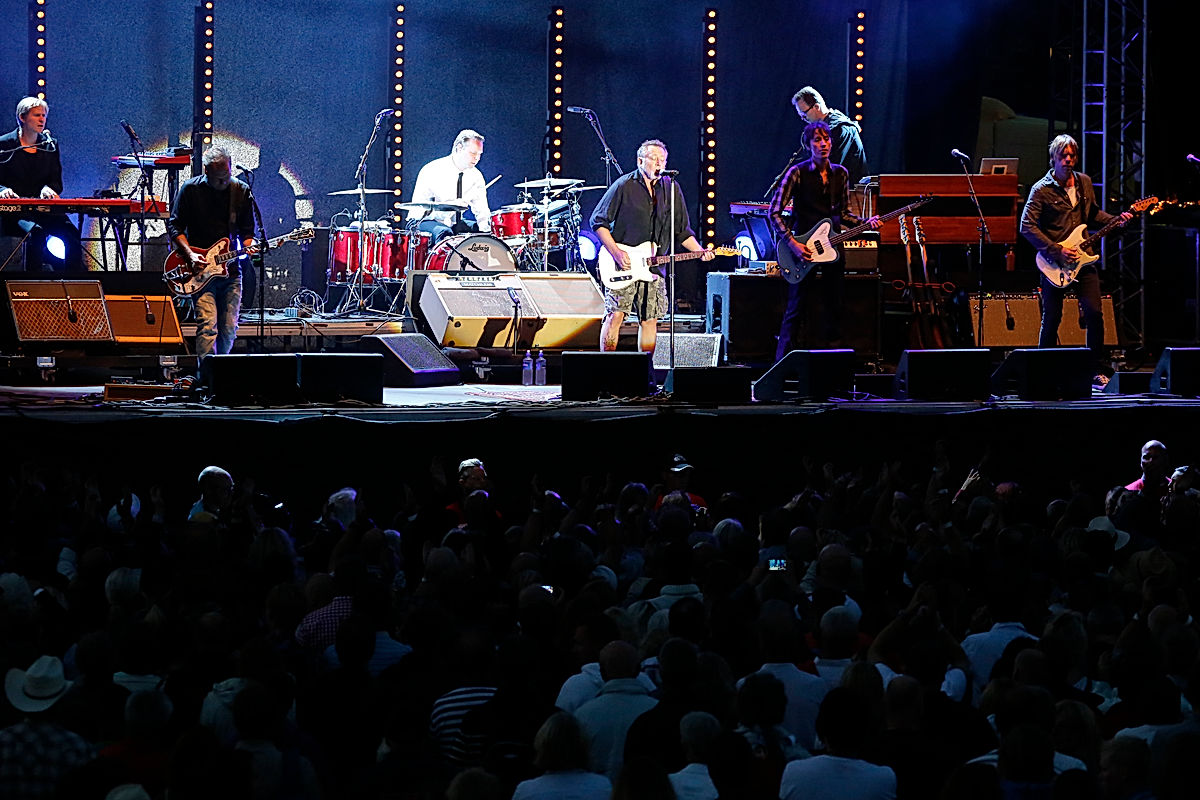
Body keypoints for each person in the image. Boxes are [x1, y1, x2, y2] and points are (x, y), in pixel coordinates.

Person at [1020, 134, 1132, 386]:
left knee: (1094, 313)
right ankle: (1041, 370)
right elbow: (1026, 226)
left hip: (1083, 261)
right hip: (1053, 264)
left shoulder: (1084, 182)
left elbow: (1092, 214)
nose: (1068, 160)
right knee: (1052, 316)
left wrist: (1117, 221)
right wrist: (1056, 250)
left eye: (1072, 155)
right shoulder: (1040, 189)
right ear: (1053, 159)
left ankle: (1093, 370)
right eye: (1063, 156)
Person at [769, 120, 880, 360]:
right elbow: (774, 211)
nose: (823, 144)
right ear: (809, 145)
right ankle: (782, 366)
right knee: (796, 309)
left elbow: (843, 214)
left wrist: (866, 223)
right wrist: (793, 244)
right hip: (803, 247)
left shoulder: (841, 173)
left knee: (835, 306)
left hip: (832, 247)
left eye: (826, 139)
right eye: (817, 140)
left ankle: (834, 364)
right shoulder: (797, 173)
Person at [590, 139, 714, 354]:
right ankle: (606, 370)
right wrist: (616, 252)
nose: (659, 163)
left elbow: (682, 231)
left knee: (650, 320)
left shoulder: (671, 188)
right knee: (616, 315)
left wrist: (700, 252)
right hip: (622, 264)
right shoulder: (624, 185)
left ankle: (644, 372)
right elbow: (598, 222)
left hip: (654, 267)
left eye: (663, 160)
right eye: (654, 158)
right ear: (640, 161)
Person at [167, 145, 255, 357]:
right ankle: (207, 380)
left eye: (227, 176)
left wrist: (249, 244)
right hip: (199, 270)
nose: (224, 182)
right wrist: (190, 254)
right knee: (208, 326)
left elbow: (247, 231)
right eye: (219, 178)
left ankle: (220, 376)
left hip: (230, 271)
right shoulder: (190, 189)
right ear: (206, 171)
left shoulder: (240, 191)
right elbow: (174, 226)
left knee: (229, 329)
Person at [0, 96, 82, 270]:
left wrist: (48, 188)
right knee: (36, 233)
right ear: (22, 118)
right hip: (15, 211)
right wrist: (2, 190)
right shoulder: (4, 144)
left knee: (71, 233)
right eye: (37, 115)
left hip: (43, 209)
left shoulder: (50, 145)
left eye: (44, 115)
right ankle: (34, 286)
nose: (42, 119)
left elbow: (56, 181)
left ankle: (74, 285)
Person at [409, 129, 491, 240]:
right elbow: (421, 209)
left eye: (479, 154)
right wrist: (450, 206)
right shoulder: (432, 170)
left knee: (480, 233)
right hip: (424, 221)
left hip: (453, 222)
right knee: (444, 232)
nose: (477, 158)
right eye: (473, 153)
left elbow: (482, 211)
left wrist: (487, 232)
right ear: (459, 148)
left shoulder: (476, 176)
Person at [792, 86, 869, 184]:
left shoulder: (841, 128)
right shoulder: (821, 130)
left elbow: (833, 166)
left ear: (816, 107)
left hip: (850, 192)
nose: (803, 118)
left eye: (804, 113)